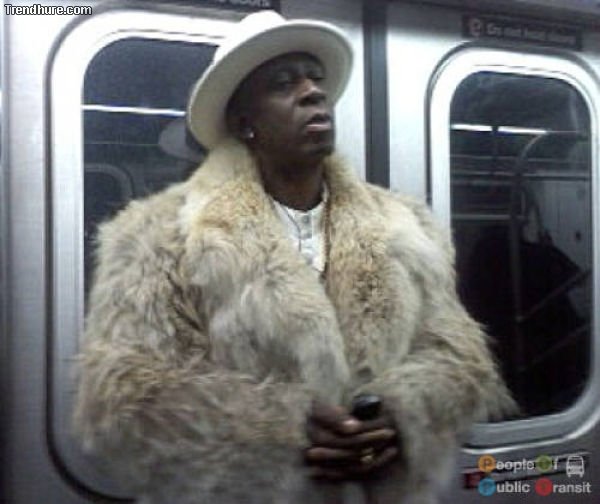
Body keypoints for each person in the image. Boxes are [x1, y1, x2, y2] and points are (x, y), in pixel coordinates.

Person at [73, 10, 515, 504]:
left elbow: (458, 357)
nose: (312, 92)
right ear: (244, 123)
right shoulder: (156, 235)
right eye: (284, 84)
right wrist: (277, 425)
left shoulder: (407, 225)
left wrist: (400, 414)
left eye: (315, 78)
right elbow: (123, 392)